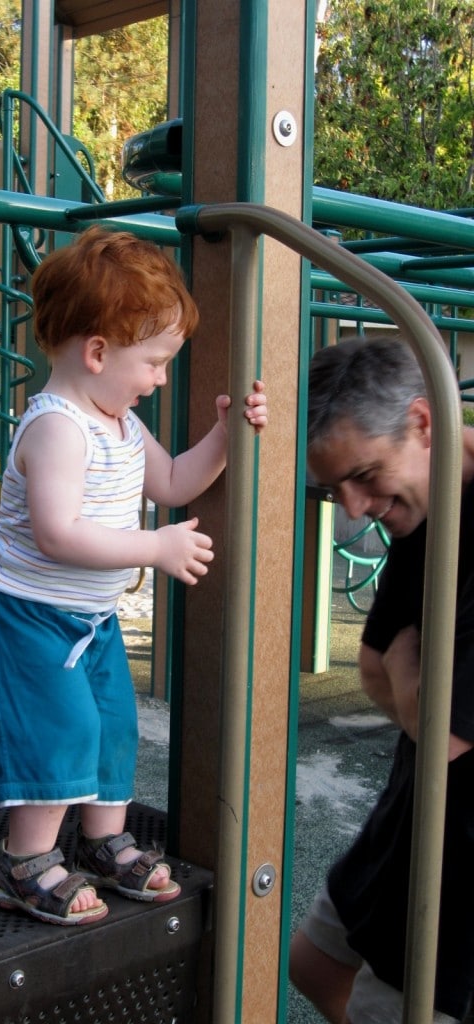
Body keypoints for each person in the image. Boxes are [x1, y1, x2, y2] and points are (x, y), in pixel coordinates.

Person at [0, 226, 267, 926]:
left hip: (89, 620)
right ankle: (24, 860)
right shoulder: (59, 428)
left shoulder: (123, 425)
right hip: (25, 618)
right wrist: (151, 550)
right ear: (98, 353)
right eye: (155, 362)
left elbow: (174, 480)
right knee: (58, 729)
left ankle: (102, 841)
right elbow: (56, 532)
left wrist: (227, 437)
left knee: (112, 726)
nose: (160, 378)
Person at [290, 336, 474, 1022]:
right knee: (311, 962)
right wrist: (410, 683)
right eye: (335, 487)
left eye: (365, 475)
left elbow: (444, 727)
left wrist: (410, 677)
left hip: (458, 852)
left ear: (424, 423)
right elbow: (372, 667)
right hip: (416, 805)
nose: (353, 508)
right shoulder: (424, 510)